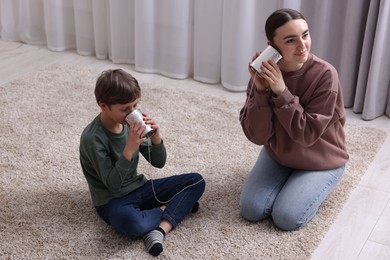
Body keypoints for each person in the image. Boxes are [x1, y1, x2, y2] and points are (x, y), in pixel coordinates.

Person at [239, 8, 349, 231]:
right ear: (272, 45)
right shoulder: (264, 73)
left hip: (320, 159)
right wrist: (261, 92)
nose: (302, 46)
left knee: (286, 218)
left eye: (305, 35)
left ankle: (322, 178)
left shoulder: (325, 75)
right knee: (251, 210)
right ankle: (289, 179)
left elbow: (306, 135)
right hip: (279, 154)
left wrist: (282, 92)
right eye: (291, 40)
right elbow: (258, 136)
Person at [79, 69, 205, 257]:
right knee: (132, 224)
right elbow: (112, 185)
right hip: (112, 200)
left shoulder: (130, 123)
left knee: (197, 181)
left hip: (140, 188)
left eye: (135, 106)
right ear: (103, 106)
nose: (132, 113)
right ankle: (169, 209)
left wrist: (156, 139)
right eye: (125, 109)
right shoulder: (92, 138)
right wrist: (129, 149)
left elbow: (158, 163)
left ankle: (160, 230)